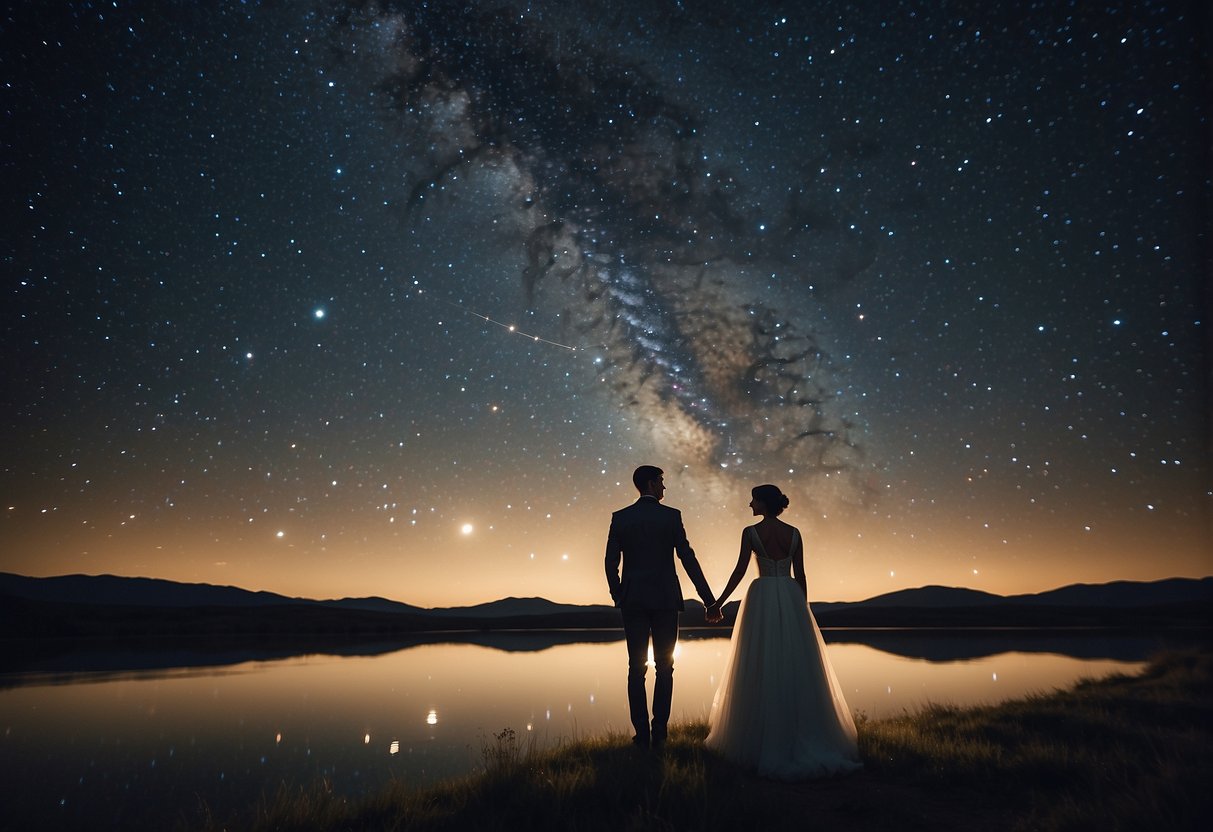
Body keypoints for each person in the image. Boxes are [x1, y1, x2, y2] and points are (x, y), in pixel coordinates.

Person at [703, 484, 862, 778]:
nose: (749, 504)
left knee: (760, 662)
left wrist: (718, 603)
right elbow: (800, 574)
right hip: (790, 595)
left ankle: (759, 739)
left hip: (762, 594)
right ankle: (799, 733)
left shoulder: (750, 533)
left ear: (763, 503)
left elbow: (740, 571)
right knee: (795, 664)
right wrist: (802, 608)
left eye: (753, 499)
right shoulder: (795, 533)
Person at [605, 465, 716, 749]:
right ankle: (660, 734)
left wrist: (619, 593)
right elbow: (687, 558)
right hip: (665, 599)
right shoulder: (671, 517)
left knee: (635, 668)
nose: (664, 488)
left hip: (633, 601)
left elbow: (610, 562)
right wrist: (708, 599)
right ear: (651, 484)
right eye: (662, 482)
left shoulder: (621, 518)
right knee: (664, 668)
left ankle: (641, 735)